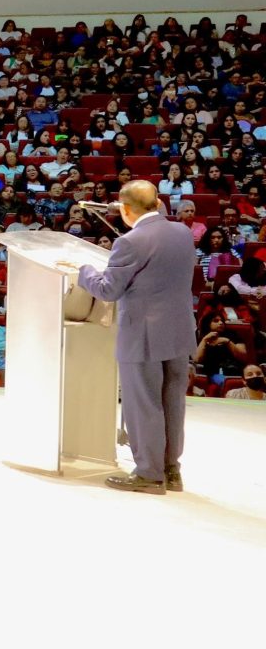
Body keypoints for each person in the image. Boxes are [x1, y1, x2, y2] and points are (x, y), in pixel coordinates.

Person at [71, 180, 200, 494]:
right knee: (172, 403)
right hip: (179, 330)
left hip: (143, 333)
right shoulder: (182, 232)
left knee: (143, 403)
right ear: (158, 203)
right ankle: (171, 470)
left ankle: (148, 473)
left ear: (126, 210)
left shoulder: (130, 242)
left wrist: (84, 269)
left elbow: (107, 289)